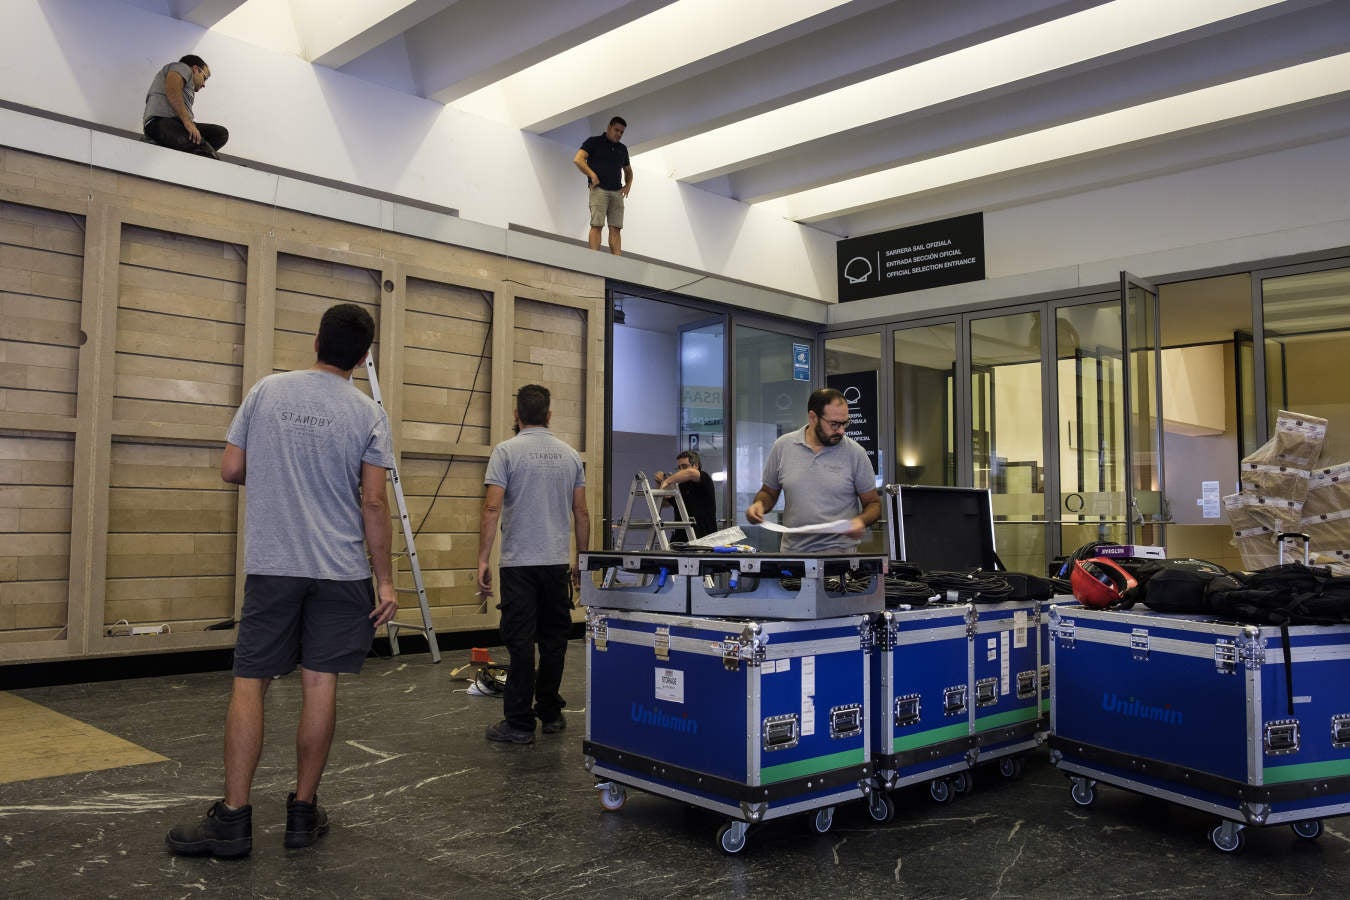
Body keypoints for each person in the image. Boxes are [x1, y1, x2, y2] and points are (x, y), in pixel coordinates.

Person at [165, 303, 398, 858]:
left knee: (251, 682)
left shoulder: (267, 392)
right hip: (340, 571)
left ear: (315, 342)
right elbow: (373, 501)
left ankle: (234, 819)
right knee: (321, 684)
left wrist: (276, 464)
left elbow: (231, 468)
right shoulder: (369, 413)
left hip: (274, 565)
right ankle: (301, 815)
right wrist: (385, 582)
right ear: (363, 357)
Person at [477, 384, 589, 745]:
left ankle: (520, 723)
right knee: (555, 640)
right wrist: (581, 561)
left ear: (516, 415)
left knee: (521, 642)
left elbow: (492, 508)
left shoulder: (505, 452)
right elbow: (581, 512)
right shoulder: (570, 455)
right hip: (555, 563)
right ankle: (551, 712)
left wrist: (482, 559)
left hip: (519, 565)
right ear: (549, 416)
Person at [745, 387, 881, 554]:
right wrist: (759, 505)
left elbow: (873, 504)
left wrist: (860, 521)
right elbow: (769, 492)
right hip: (792, 555)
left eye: (845, 423)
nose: (841, 431)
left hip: (839, 557)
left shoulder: (855, 453)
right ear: (813, 418)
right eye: (834, 424)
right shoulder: (783, 446)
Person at [143, 54, 229, 158]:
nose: (204, 84)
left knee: (220, 134)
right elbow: (173, 90)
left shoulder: (188, 88)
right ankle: (202, 153)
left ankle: (180, 150)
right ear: (195, 69)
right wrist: (188, 122)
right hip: (161, 122)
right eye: (204, 78)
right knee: (206, 153)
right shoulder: (182, 67)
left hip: (180, 126)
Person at [573, 116, 632, 255]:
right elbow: (578, 159)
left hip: (617, 192)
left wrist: (628, 185)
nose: (618, 134)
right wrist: (592, 175)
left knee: (616, 228)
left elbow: (628, 171)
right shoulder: (594, 142)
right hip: (599, 190)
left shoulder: (622, 149)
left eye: (622, 132)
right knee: (597, 225)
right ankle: (594, 259)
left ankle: (617, 262)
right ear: (609, 127)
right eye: (616, 130)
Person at [654, 449, 717, 541]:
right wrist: (659, 483)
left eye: (684, 466)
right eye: (679, 467)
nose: (681, 470)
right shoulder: (680, 486)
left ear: (696, 465)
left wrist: (667, 481)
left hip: (703, 540)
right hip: (681, 540)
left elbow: (691, 473)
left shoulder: (704, 478)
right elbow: (664, 504)